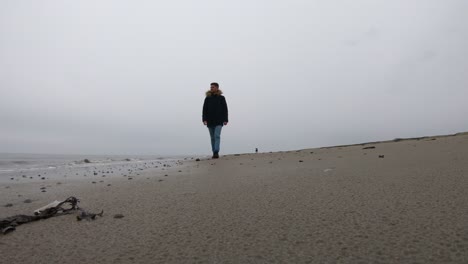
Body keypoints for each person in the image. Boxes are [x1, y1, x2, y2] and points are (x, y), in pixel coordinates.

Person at [202, 82, 228, 159]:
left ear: (217, 88)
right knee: (212, 137)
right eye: (211, 87)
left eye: (213, 87)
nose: (211, 88)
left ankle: (216, 151)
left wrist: (225, 119)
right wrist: (204, 119)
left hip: (219, 120)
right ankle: (214, 152)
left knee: (217, 136)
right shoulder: (207, 98)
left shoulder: (221, 98)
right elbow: (204, 109)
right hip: (210, 120)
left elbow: (225, 109)